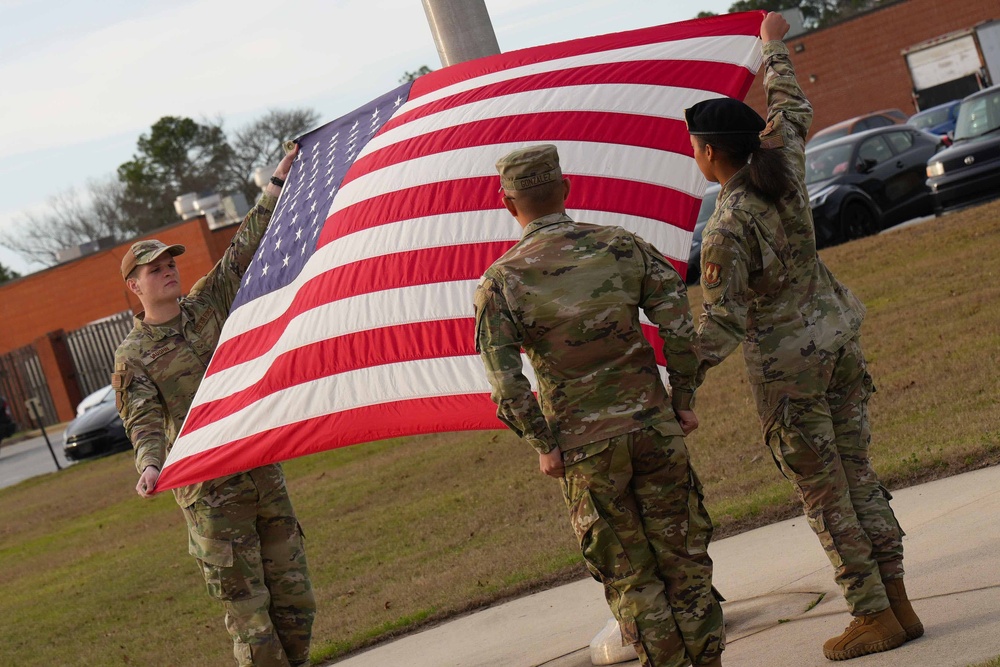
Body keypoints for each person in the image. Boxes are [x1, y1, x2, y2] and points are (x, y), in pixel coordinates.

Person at [686, 12, 921, 662]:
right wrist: (773, 45)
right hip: (839, 340)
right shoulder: (782, 163)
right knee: (859, 474)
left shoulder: (728, 225)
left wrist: (678, 379)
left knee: (826, 495)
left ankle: (873, 614)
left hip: (791, 374)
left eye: (694, 147)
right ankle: (899, 602)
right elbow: (789, 103)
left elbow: (724, 322)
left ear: (710, 152)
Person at [474, 145, 724, 667]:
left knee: (634, 579)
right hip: (653, 427)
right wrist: (681, 398)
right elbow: (676, 319)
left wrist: (544, 443)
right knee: (685, 564)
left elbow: (505, 381)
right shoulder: (619, 246)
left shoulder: (503, 280)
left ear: (507, 204)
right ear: (565, 190)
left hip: (585, 451)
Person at [112, 145, 315, 667]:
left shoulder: (207, 304)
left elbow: (243, 249)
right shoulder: (133, 357)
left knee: (295, 604)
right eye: (153, 270)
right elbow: (144, 421)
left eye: (169, 264)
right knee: (253, 619)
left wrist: (276, 184)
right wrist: (150, 465)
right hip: (211, 496)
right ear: (134, 287)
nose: (166, 272)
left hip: (259, 468)